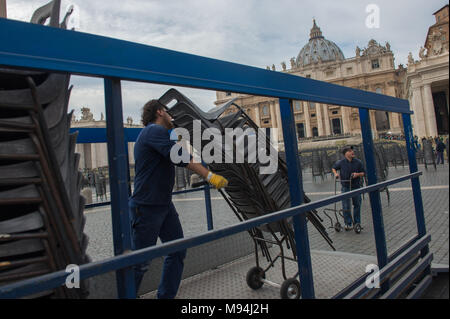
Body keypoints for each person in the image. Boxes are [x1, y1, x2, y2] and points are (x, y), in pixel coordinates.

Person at [129, 99, 228, 298]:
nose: (171, 115)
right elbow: (182, 158)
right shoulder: (153, 131)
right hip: (146, 206)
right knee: (138, 264)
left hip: (163, 205)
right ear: (159, 112)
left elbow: (179, 152)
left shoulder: (161, 134)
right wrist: (209, 176)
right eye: (167, 111)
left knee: (177, 251)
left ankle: (165, 296)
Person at [332, 147, 365, 232]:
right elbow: (334, 168)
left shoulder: (358, 162)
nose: (352, 152)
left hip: (356, 186)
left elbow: (363, 173)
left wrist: (357, 174)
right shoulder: (341, 162)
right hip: (345, 186)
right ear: (345, 154)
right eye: (350, 151)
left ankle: (357, 223)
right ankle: (348, 223)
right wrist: (336, 174)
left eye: (352, 151)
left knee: (357, 204)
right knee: (346, 205)